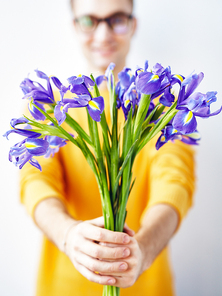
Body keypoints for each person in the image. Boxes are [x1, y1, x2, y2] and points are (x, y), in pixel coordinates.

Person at [20, 0, 195, 295]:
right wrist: (68, 235)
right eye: (89, 21)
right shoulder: (47, 107)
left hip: (144, 279)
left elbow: (175, 180)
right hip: (65, 286)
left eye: (116, 19)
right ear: (74, 26)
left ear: (133, 24)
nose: (103, 36)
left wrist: (142, 249)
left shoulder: (159, 106)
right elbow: (35, 180)